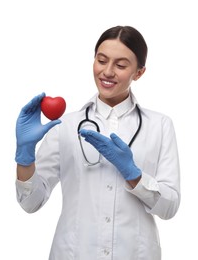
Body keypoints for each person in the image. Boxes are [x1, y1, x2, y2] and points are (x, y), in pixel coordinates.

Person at [15, 25, 180, 260]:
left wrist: (133, 174)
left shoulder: (160, 125)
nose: (108, 72)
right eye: (101, 60)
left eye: (121, 65)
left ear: (139, 72)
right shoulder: (66, 125)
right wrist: (24, 155)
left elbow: (170, 207)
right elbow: (31, 202)